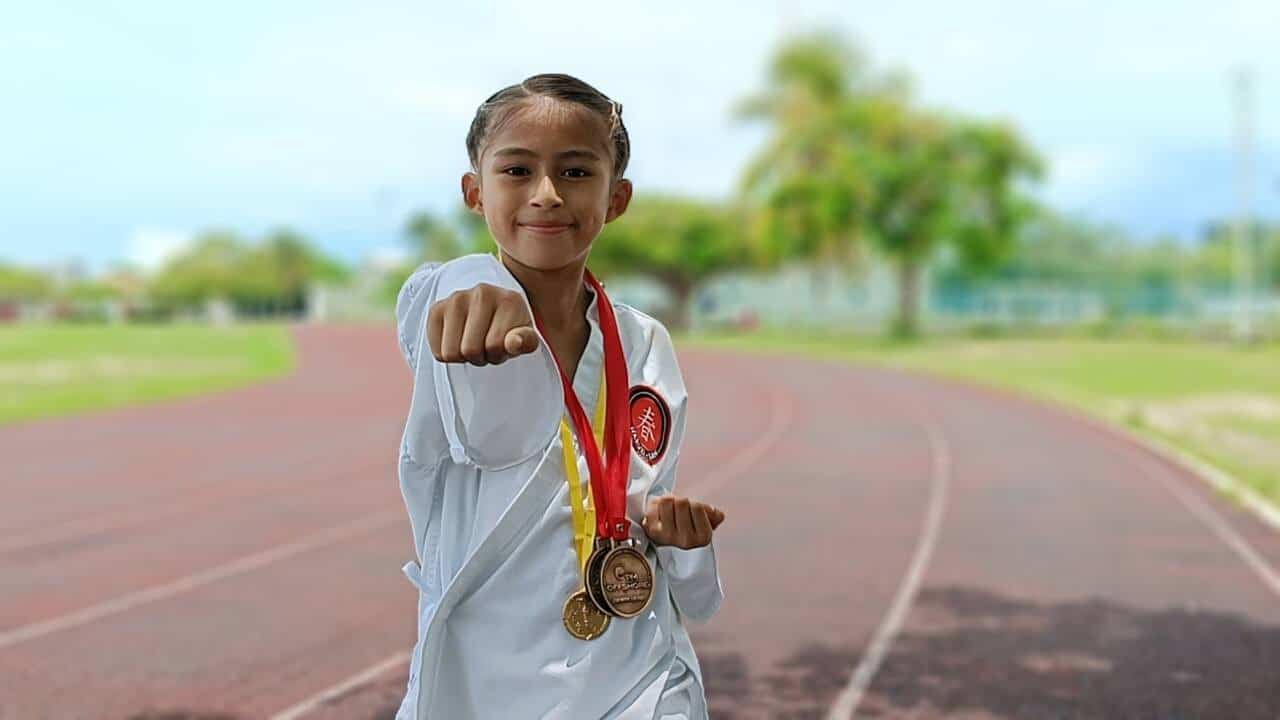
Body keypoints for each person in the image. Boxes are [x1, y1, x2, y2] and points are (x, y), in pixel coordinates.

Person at [393, 73, 726, 719]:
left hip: (640, 680)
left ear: (616, 197)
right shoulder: (455, 310)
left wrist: (682, 543)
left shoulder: (645, 343)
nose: (545, 194)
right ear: (474, 191)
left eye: (575, 172)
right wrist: (467, 282)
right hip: (482, 687)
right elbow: (438, 316)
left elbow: (684, 579)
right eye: (516, 170)